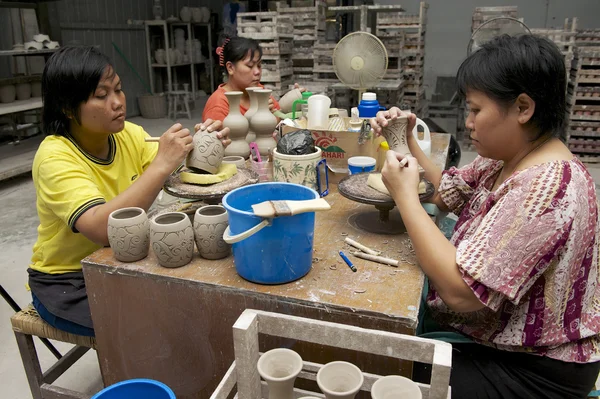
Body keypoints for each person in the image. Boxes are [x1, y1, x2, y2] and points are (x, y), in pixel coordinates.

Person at [371, 35, 600, 398]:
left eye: (476, 110)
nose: (469, 122)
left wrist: (404, 196)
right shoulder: (510, 155)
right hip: (504, 340)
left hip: (534, 368)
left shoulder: (548, 189)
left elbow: (461, 294)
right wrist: (405, 140)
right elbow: (447, 193)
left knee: (390, 371)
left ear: (523, 107)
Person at [28, 46, 230, 336]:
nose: (117, 102)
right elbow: (100, 228)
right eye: (101, 95)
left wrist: (204, 150)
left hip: (122, 260)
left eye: (119, 90)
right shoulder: (55, 157)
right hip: (69, 280)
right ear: (67, 107)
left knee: (192, 303)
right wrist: (160, 165)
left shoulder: (128, 135)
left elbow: (178, 178)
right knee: (148, 326)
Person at [202, 36, 302, 122]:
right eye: (250, 66)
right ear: (230, 68)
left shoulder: (259, 91)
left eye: (259, 66)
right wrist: (257, 119)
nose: (257, 72)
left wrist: (295, 101)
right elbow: (225, 142)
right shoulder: (218, 105)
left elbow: (280, 120)